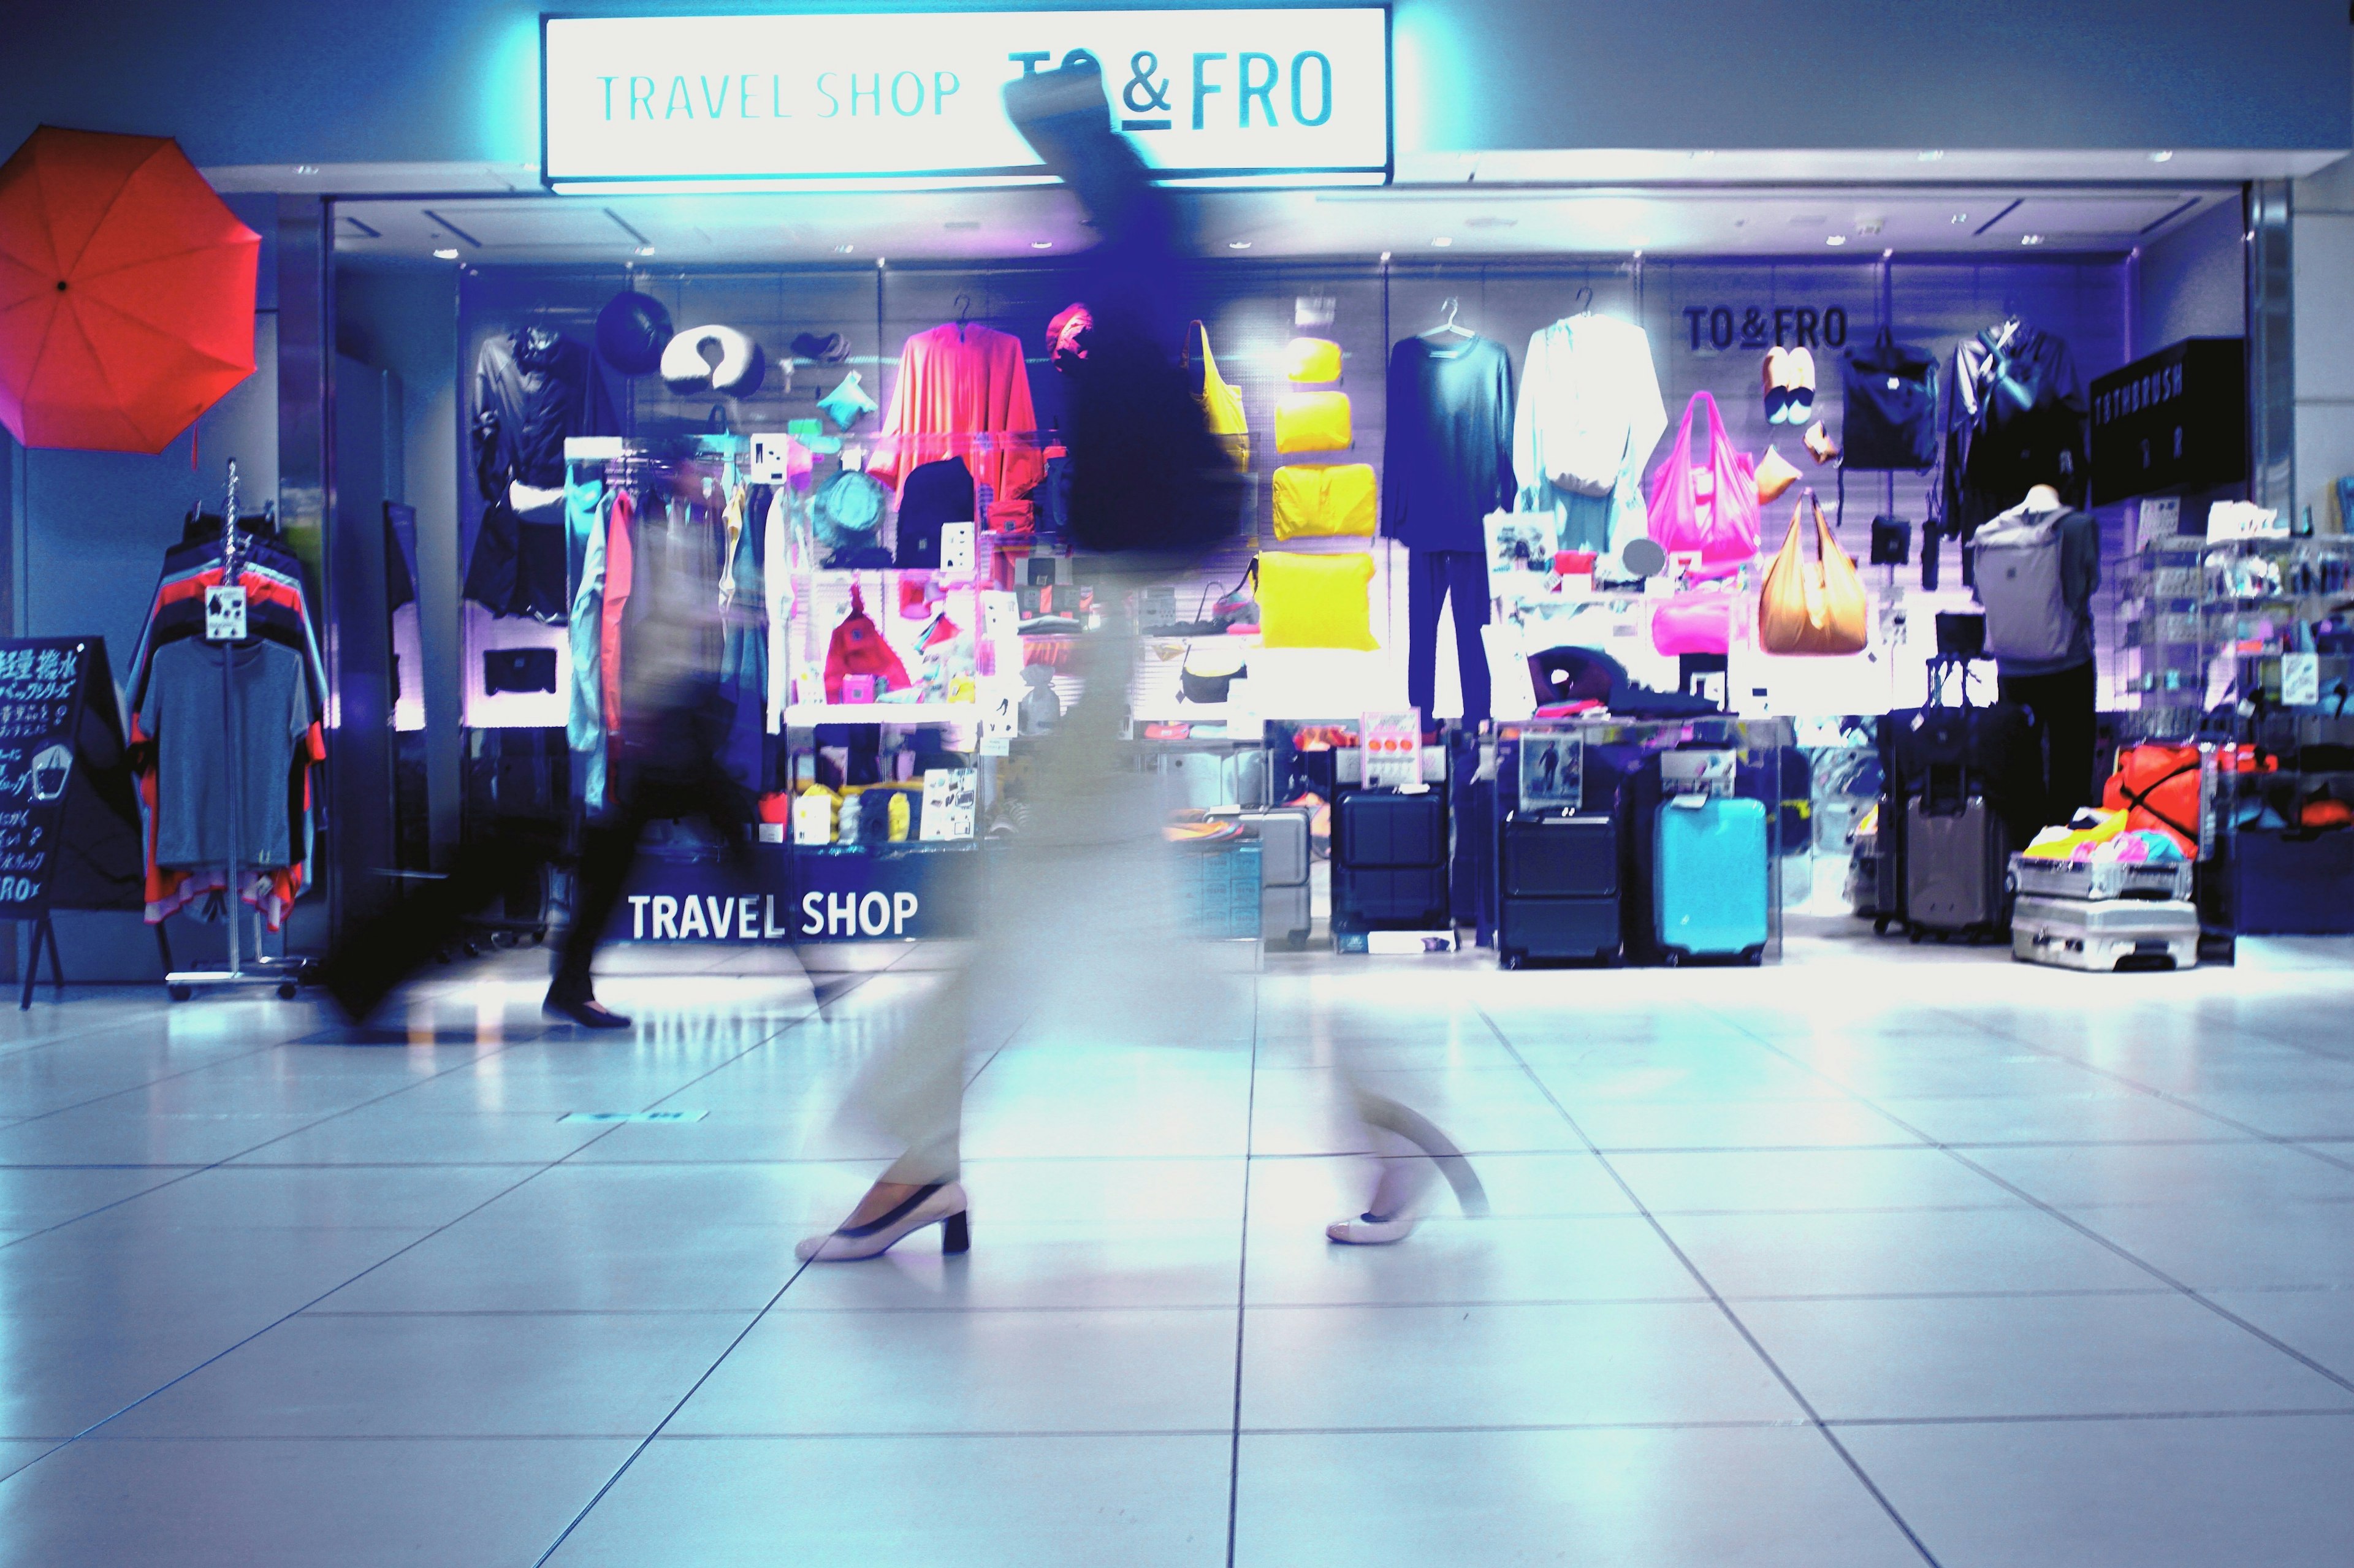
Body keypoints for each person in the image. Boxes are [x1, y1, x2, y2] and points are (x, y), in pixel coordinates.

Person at [793, 58, 1482, 1261]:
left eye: (1059, 137)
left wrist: (1071, 153)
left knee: (1022, 906)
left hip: (1131, 616)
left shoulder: (1135, 249)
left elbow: (1142, 266)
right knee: (1095, 934)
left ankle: (920, 1160)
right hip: (1129, 605)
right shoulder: (1121, 259)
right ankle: (1373, 1123)